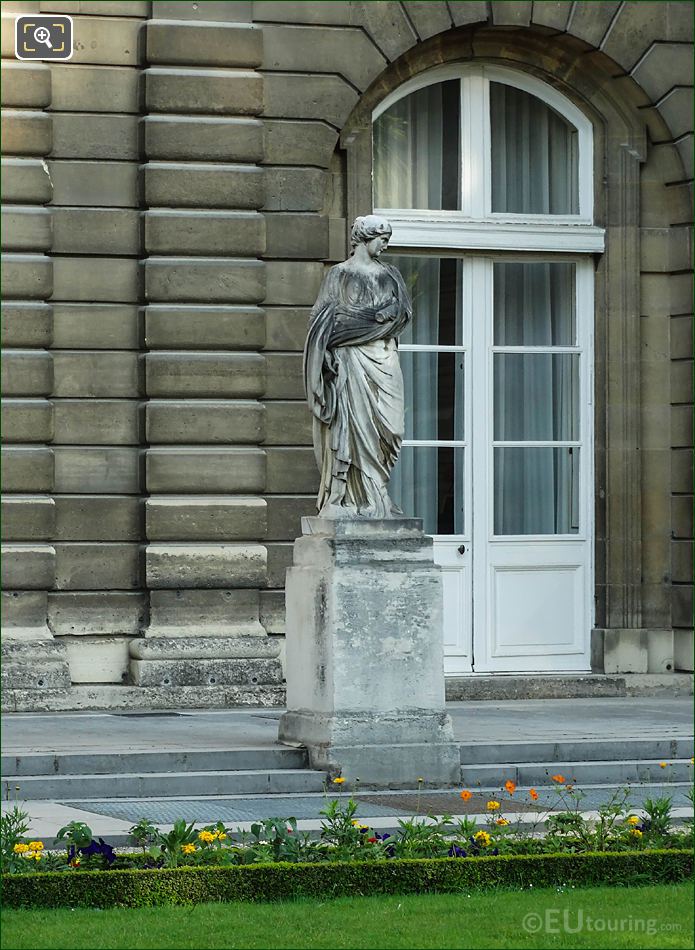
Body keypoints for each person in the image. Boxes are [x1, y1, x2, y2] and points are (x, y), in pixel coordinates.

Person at [304, 214, 412, 518]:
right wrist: (371, 322)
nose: (386, 246)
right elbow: (323, 323)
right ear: (366, 237)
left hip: (384, 358)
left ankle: (379, 494)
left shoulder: (391, 275)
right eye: (383, 239)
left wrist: (364, 323)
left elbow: (402, 314)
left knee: (391, 429)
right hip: (351, 362)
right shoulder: (339, 275)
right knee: (353, 428)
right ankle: (356, 498)